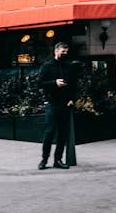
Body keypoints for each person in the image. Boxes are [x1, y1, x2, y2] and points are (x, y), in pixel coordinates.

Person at [38, 41, 75, 170]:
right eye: (62, 51)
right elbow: (39, 82)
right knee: (49, 132)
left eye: (66, 52)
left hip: (65, 104)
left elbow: (74, 83)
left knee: (62, 134)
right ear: (56, 51)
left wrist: (72, 98)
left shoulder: (68, 66)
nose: (65, 53)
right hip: (52, 104)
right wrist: (54, 83)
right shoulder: (47, 66)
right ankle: (44, 160)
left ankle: (58, 160)